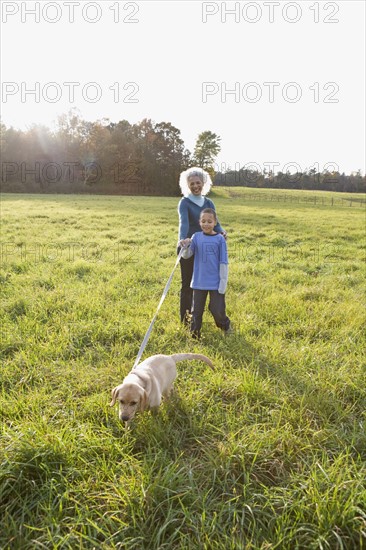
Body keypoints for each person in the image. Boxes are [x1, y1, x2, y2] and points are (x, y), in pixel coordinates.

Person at [177, 167, 226, 324]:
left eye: (198, 183)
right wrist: (182, 240)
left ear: (204, 183)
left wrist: (222, 232)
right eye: (192, 183)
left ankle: (203, 315)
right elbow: (183, 223)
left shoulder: (209, 202)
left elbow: (214, 223)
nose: (195, 186)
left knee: (203, 283)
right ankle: (186, 319)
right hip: (189, 247)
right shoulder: (184, 202)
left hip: (207, 249)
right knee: (187, 285)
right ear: (187, 185)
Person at [179, 208, 232, 339]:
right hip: (198, 282)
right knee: (196, 311)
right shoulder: (196, 237)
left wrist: (223, 283)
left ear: (215, 222)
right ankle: (194, 336)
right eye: (203, 221)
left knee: (216, 309)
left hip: (215, 283)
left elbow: (223, 262)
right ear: (199, 222)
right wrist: (184, 246)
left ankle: (225, 325)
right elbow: (187, 255)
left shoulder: (220, 239)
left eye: (209, 221)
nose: (206, 224)